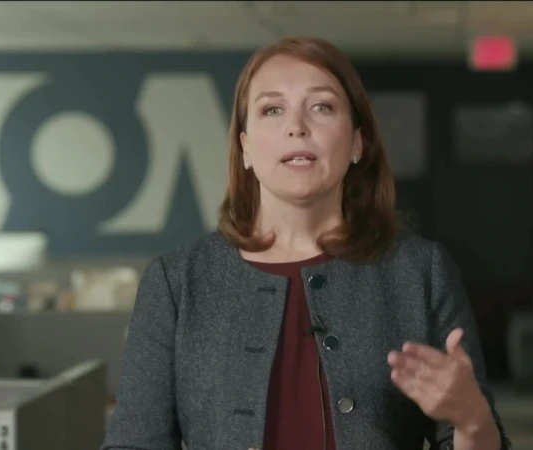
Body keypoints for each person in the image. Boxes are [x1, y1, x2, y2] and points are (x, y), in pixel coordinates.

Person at [101, 36, 511, 450]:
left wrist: (473, 420)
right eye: (272, 109)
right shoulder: (176, 281)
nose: (296, 126)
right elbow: (133, 443)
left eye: (321, 107)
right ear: (245, 147)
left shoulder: (420, 271)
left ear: (357, 142)